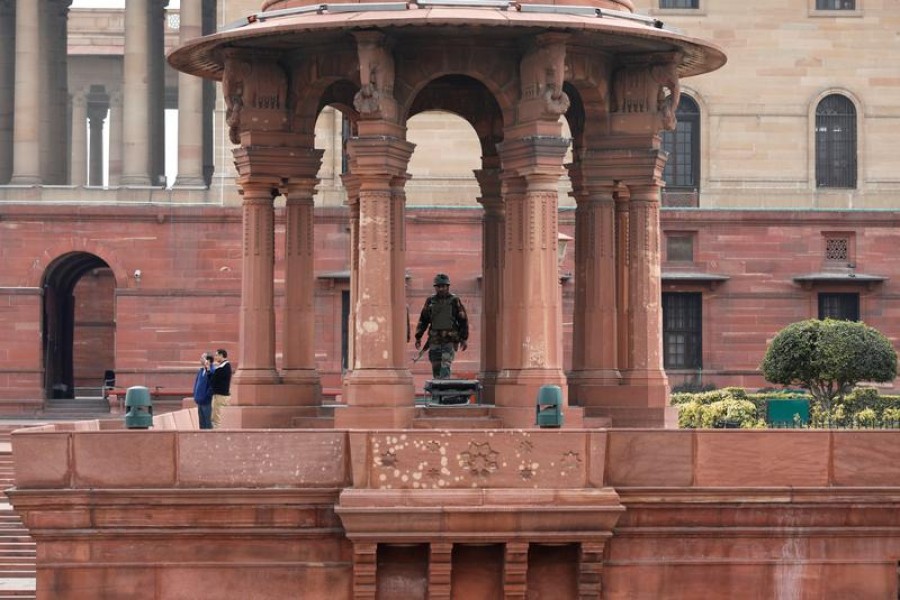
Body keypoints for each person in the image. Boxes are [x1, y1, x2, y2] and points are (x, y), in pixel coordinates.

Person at [414, 273, 469, 379]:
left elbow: (463, 320)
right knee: (436, 367)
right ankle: (437, 394)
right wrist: (418, 337)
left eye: (443, 286)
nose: (441, 289)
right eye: (438, 286)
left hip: (449, 339)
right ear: (435, 287)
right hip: (434, 340)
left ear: (447, 287)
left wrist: (463, 338)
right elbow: (423, 320)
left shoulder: (454, 300)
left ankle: (444, 393)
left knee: (445, 367)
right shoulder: (430, 301)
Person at [209, 348, 232, 429]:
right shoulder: (223, 367)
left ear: (221, 355)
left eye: (216, 355)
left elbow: (213, 380)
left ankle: (217, 435)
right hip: (220, 395)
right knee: (216, 417)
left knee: (216, 418)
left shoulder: (223, 367)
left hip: (220, 396)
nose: (215, 357)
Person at [191, 352, 214, 430]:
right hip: (199, 401)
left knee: (208, 424)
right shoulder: (201, 371)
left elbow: (212, 386)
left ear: (208, 360)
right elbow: (197, 383)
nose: (200, 359)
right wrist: (195, 395)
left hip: (207, 402)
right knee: (202, 424)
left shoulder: (212, 371)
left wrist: (206, 397)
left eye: (202, 358)